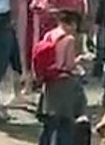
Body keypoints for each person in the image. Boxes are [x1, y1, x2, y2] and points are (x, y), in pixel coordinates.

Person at [36, 9, 88, 145]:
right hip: (64, 83)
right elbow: (68, 65)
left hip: (49, 82)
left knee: (49, 123)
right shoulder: (68, 39)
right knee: (65, 123)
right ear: (73, 24)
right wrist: (79, 61)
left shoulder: (49, 35)